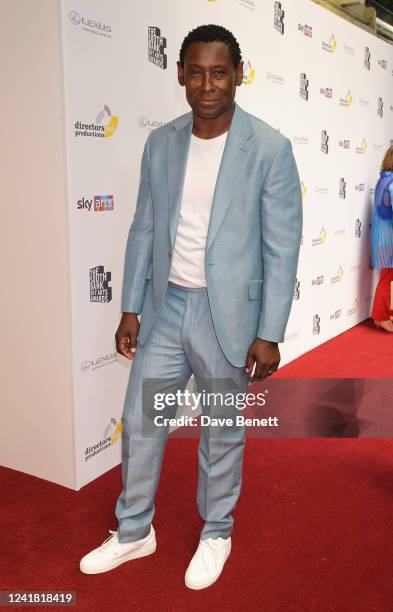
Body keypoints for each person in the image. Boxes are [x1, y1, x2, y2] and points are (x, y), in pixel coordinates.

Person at [79, 24, 302, 589]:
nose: (207, 84)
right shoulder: (162, 143)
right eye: (196, 72)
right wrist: (130, 306)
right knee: (141, 422)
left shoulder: (269, 148)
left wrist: (270, 330)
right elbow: (144, 228)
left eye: (219, 72)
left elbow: (282, 245)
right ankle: (134, 532)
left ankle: (217, 531)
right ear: (180, 74)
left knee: (222, 430)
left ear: (238, 75)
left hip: (229, 316)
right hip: (166, 308)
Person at [371, 145, 393, 332]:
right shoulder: (391, 183)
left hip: (383, 238)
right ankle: (381, 317)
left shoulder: (384, 180)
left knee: (387, 277)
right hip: (388, 239)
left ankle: (383, 314)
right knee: (387, 278)